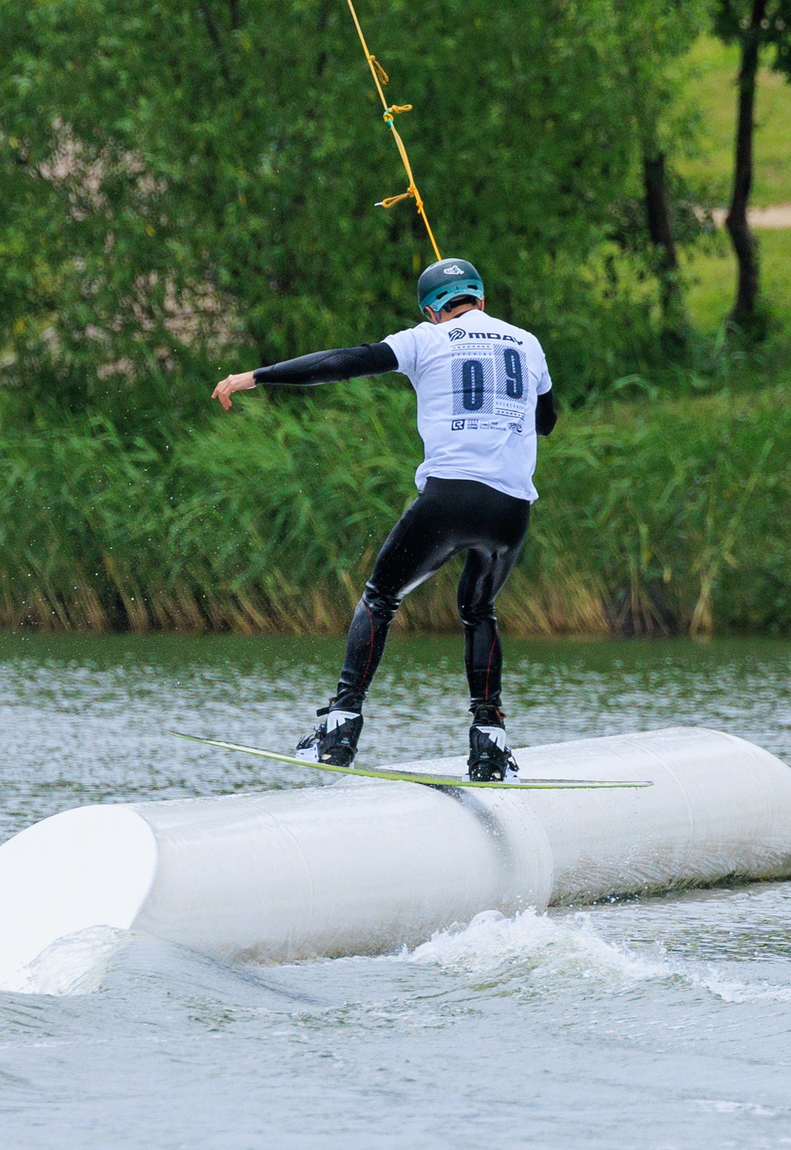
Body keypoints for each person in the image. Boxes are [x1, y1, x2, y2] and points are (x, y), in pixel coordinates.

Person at [213, 258, 556, 782]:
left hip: (448, 500)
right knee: (478, 608)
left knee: (380, 597)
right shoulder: (527, 343)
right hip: (510, 511)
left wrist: (257, 376)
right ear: (481, 301)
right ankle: (489, 745)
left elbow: (344, 362)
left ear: (430, 311)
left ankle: (341, 728)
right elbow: (547, 420)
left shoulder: (424, 340)